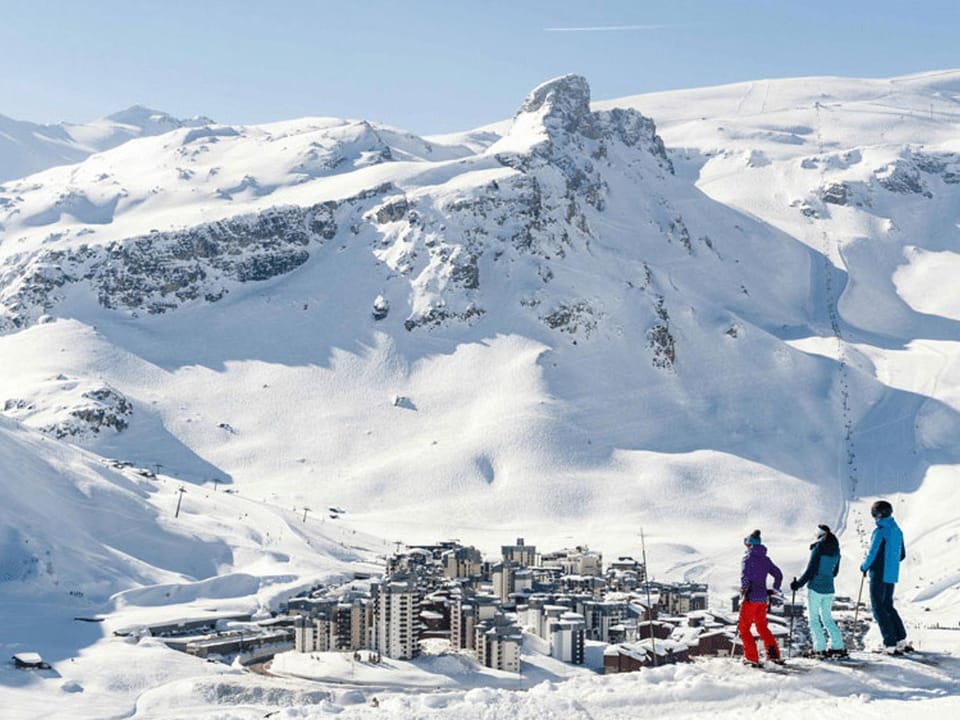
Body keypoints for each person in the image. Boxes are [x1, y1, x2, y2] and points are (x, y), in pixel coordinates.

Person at [860, 500, 909, 654]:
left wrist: (864, 567)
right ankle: (901, 640)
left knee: (878, 608)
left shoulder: (880, 531)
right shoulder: (897, 530)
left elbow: (872, 553)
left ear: (878, 514)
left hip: (878, 573)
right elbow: (902, 555)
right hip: (891, 574)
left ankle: (890, 644)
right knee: (888, 606)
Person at [790, 525, 846, 658]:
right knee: (827, 618)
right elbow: (835, 572)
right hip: (829, 589)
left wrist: (797, 584)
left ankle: (820, 648)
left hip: (816, 588)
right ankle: (838, 646)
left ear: (821, 535)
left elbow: (811, 570)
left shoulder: (818, 548)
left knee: (814, 618)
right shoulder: (837, 551)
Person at [739, 529, 784, 667]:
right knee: (762, 627)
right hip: (763, 599)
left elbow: (745, 577)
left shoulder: (747, 559)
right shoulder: (765, 559)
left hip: (751, 598)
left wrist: (744, 590)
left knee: (744, 628)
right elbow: (778, 574)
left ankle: (752, 658)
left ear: (749, 545)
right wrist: (775, 589)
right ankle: (774, 655)